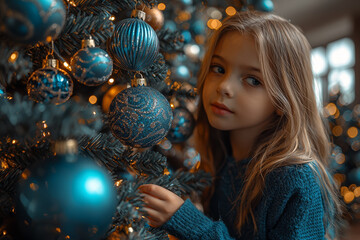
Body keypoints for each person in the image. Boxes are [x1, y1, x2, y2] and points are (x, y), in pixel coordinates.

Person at [138, 10, 344, 239]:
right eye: (219, 69)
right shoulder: (222, 157)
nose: (224, 86)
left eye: (253, 80)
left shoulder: (295, 180)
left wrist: (190, 223)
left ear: (283, 99)